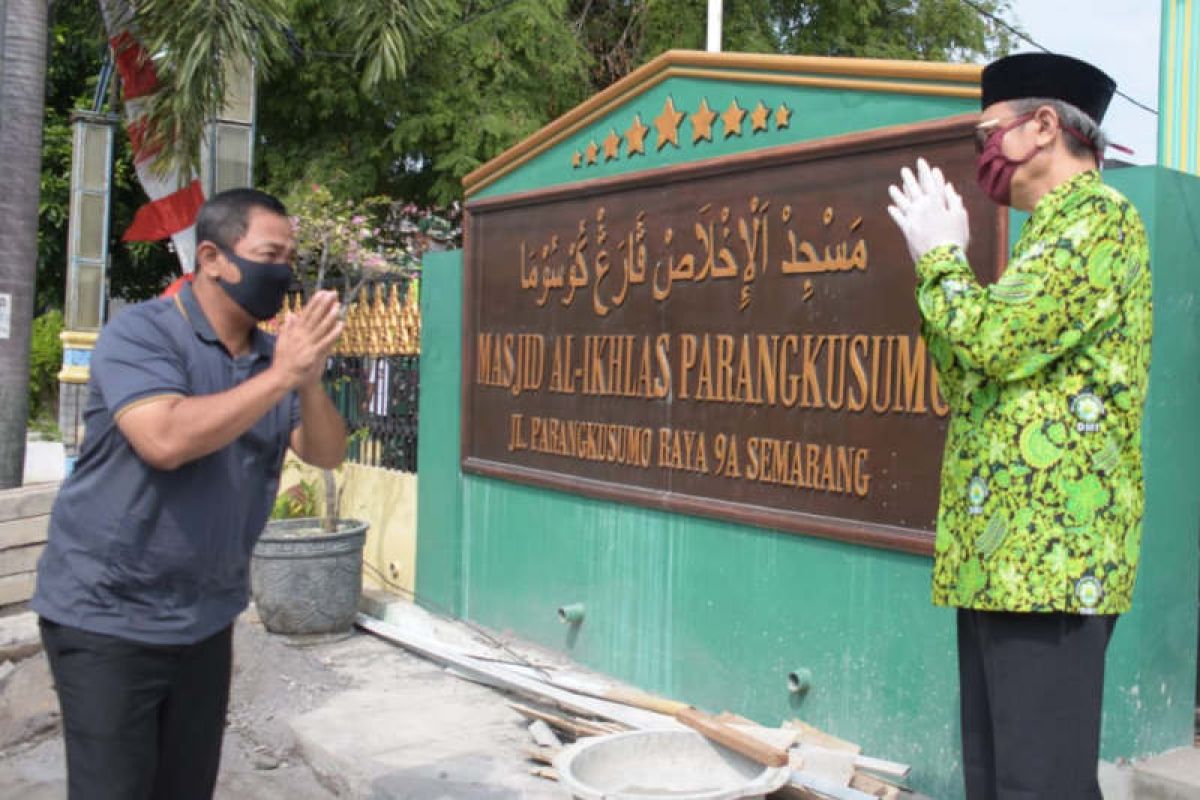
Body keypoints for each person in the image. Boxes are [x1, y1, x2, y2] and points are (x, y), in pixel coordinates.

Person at [886, 53, 1152, 799]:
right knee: (999, 782)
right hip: (999, 558)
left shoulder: (1100, 220)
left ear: (1042, 127)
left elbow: (994, 340)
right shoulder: (1045, 239)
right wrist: (940, 272)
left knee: (1041, 786)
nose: (981, 154)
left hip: (1052, 563)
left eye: (987, 133)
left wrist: (941, 262)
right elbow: (970, 369)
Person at [31, 188, 348, 800]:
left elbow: (327, 452)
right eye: (269, 254)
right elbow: (165, 439)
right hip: (108, 617)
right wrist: (283, 375)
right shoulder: (142, 335)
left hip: (203, 620)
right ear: (211, 257)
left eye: (290, 259)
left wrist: (303, 381)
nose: (282, 272)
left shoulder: (267, 359)